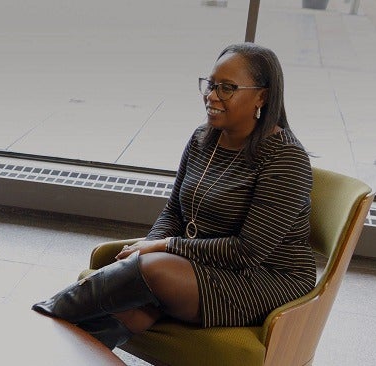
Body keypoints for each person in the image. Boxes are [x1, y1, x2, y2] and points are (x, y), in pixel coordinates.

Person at [33, 43, 315, 349]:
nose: (212, 96)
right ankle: (51, 350)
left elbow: (246, 252)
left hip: (264, 279)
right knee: (139, 298)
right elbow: (174, 211)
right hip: (206, 262)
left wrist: (162, 247)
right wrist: (148, 247)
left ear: (262, 95)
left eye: (227, 88)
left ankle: (44, 313)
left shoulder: (285, 159)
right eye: (210, 85)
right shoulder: (202, 139)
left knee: (154, 271)